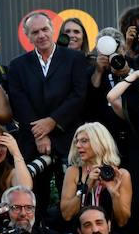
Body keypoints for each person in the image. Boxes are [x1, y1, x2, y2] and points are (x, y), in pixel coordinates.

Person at [8, 12, 88, 206]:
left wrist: (52, 121)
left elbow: (79, 95)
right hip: (33, 141)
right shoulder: (17, 65)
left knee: (71, 195)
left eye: (45, 29)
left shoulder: (75, 58)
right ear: (28, 36)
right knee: (35, 197)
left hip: (68, 138)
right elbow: (19, 102)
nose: (41, 35)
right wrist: (39, 134)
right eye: (35, 32)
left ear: (52, 30)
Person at [59, 122, 132, 228]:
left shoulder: (121, 175)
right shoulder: (73, 172)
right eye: (77, 141)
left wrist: (114, 195)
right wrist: (86, 187)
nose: (78, 145)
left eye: (84, 141)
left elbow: (122, 221)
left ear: (99, 142)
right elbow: (67, 215)